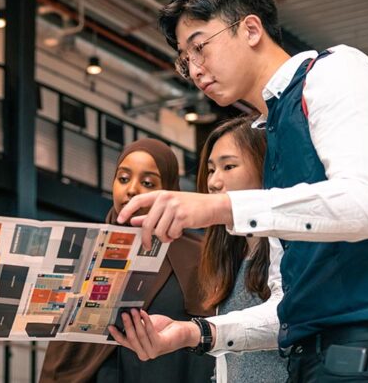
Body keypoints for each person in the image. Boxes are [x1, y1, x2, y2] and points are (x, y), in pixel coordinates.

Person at [117, 0, 368, 382]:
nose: (195, 68)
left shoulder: (333, 70)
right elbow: (288, 308)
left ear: (251, 28)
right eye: (186, 60)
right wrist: (195, 332)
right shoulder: (272, 138)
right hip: (315, 359)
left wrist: (220, 207)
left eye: (200, 46)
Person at [109, 117, 288, 383]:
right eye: (211, 170)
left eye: (229, 167)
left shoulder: (286, 247)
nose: (214, 181)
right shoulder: (227, 257)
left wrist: (193, 332)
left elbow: (286, 317)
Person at [39, 138, 214, 383]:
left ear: (169, 190)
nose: (131, 190)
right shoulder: (87, 250)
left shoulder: (199, 256)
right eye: (123, 178)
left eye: (147, 183)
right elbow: (64, 353)